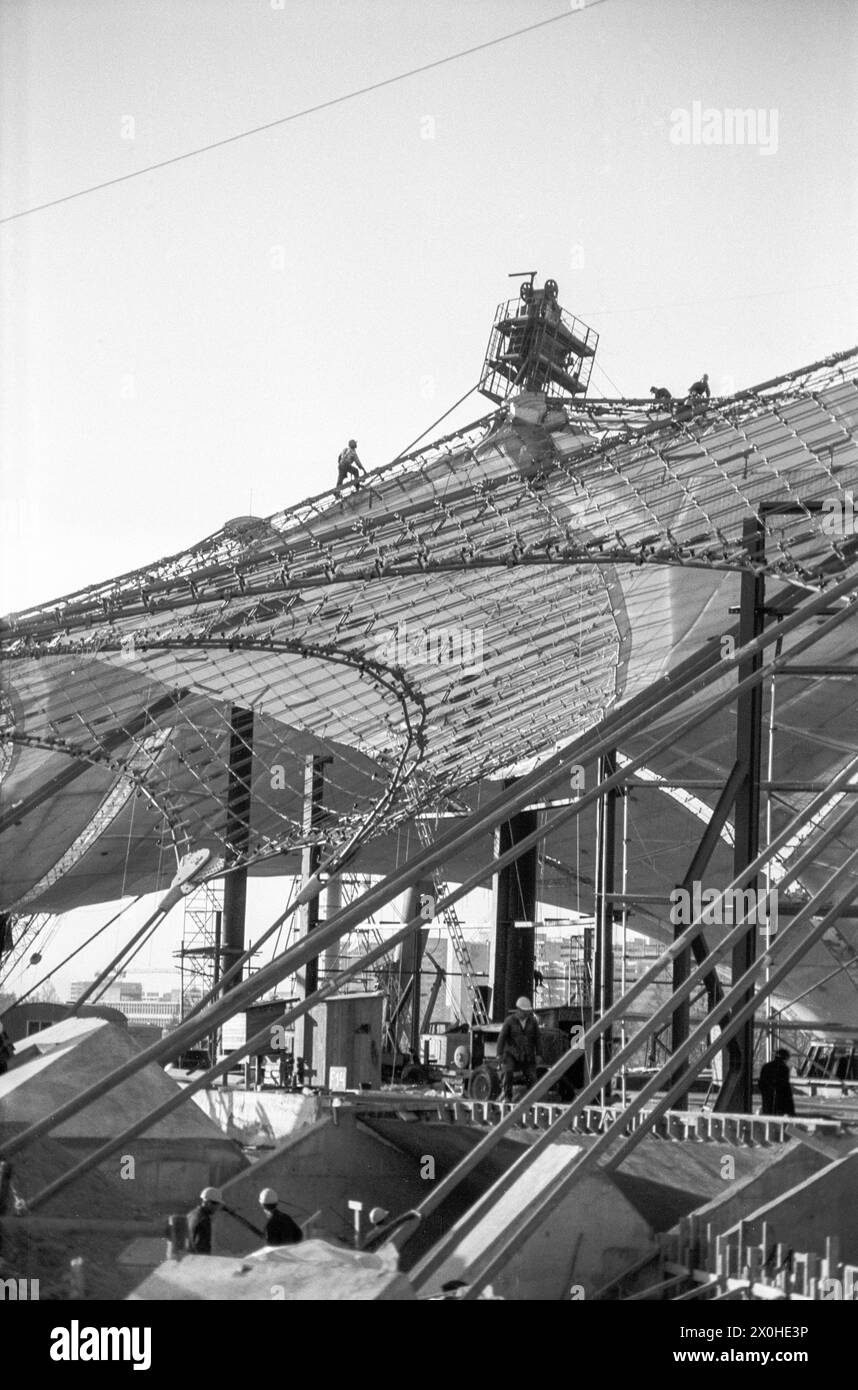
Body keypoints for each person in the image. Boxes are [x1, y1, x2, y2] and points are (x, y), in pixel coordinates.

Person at [497, 996, 542, 1102]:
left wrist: (539, 1054)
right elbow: (502, 1038)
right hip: (511, 1054)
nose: (526, 1014)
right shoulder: (509, 1021)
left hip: (527, 1055)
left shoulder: (533, 1022)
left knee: (532, 1077)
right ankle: (508, 1097)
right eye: (524, 1011)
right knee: (508, 1072)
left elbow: (538, 1039)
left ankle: (532, 1100)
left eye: (527, 1011)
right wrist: (499, 1054)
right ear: (518, 1010)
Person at [758, 1048, 796, 1116]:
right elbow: (784, 1085)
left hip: (767, 1095)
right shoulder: (784, 1068)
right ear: (785, 1058)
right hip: (779, 1098)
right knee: (778, 1115)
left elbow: (761, 1083)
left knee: (768, 1113)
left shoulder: (766, 1066)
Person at [188, 1186, 223, 1254]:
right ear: (208, 1202)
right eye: (216, 1204)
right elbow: (203, 1247)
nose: (217, 1208)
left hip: (188, 1258)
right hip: (198, 1261)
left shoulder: (191, 1214)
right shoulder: (204, 1219)